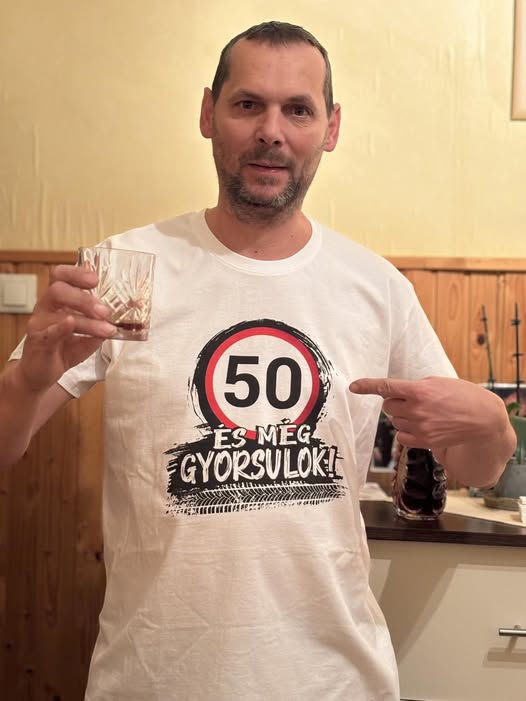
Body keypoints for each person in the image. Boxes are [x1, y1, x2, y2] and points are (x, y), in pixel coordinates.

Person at [0, 20, 515, 701]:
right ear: (208, 113)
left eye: (298, 109)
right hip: (154, 681)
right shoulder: (124, 269)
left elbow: (477, 468)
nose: (272, 131)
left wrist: (493, 424)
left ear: (330, 127)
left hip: (336, 683)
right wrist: (28, 377)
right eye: (248, 104)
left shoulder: (377, 286)